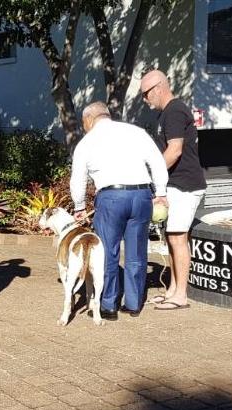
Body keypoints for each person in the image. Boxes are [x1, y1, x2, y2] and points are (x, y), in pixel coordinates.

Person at [70, 101, 168, 320]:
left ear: (89, 119)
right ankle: (133, 304)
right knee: (136, 251)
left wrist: (78, 206)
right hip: (141, 196)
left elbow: (78, 179)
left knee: (107, 252)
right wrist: (160, 192)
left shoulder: (87, 142)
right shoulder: (136, 132)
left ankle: (108, 305)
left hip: (111, 198)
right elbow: (157, 162)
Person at [140, 70, 206, 310]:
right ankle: (172, 290)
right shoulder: (166, 114)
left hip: (185, 185)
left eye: (145, 94)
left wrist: (152, 177)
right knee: (172, 238)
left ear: (158, 88)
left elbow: (175, 150)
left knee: (178, 238)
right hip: (175, 185)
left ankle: (181, 295)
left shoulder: (175, 111)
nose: (145, 100)